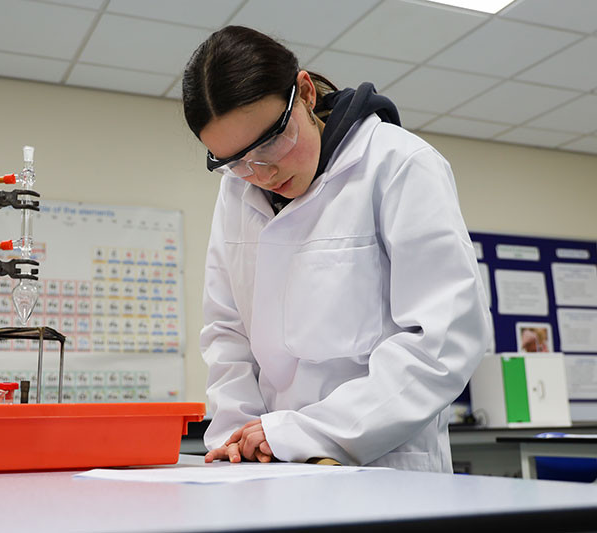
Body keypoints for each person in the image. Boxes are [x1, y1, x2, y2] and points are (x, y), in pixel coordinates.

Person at [181, 26, 492, 472]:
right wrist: (240, 438)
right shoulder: (236, 192)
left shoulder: (397, 164)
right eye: (234, 161)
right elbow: (227, 333)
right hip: (267, 468)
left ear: (305, 93)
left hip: (383, 466)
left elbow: (442, 342)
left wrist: (303, 433)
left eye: (270, 142)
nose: (261, 173)